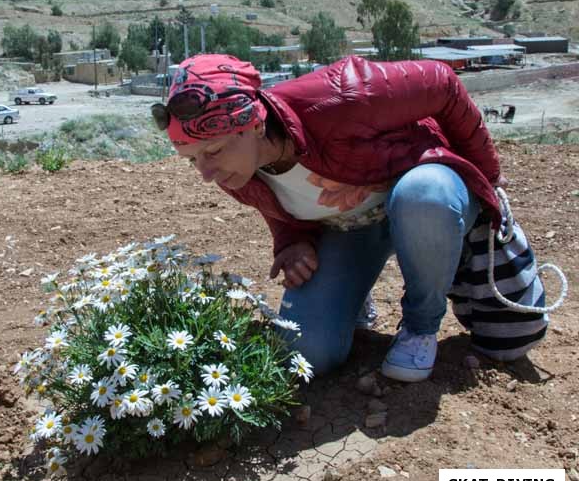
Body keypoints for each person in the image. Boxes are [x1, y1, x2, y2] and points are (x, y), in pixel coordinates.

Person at [151, 53, 508, 382]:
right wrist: (292, 244)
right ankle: (354, 298)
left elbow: (442, 82)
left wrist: (489, 177)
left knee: (424, 196)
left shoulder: (344, 94)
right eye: (193, 160)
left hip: (426, 192)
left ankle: (420, 326)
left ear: (255, 124)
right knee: (305, 353)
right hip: (354, 228)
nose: (206, 173)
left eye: (212, 151)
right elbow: (282, 206)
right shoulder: (236, 170)